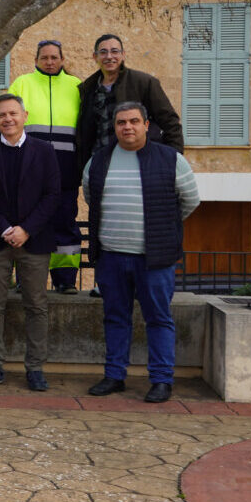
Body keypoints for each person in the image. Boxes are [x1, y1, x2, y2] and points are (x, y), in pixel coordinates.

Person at [84, 102, 198, 403]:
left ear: (147, 125)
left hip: (155, 259)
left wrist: (162, 228)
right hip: (111, 256)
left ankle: (161, 380)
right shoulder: (98, 161)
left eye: (134, 121)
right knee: (115, 317)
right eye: (121, 122)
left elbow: (190, 201)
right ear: (115, 127)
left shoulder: (171, 159)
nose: (128, 127)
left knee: (159, 318)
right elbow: (90, 197)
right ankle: (114, 376)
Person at [0, 94, 61, 392]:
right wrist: (5, 228)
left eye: (13, 114)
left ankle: (35, 368)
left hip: (34, 240)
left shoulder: (45, 151)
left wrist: (26, 229)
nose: (7, 119)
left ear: (25, 116)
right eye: (2, 115)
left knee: (36, 305)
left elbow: (52, 195)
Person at [9, 40, 83, 294]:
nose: (49, 62)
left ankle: (65, 279)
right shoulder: (22, 84)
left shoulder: (76, 87)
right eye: (44, 57)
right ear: (36, 60)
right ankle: (25, 279)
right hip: (29, 167)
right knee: (28, 222)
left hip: (66, 167)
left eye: (54, 57)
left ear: (62, 59)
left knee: (65, 221)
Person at [77, 34, 184, 170]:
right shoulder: (88, 89)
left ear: (123, 55)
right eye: (103, 52)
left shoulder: (144, 83)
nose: (109, 56)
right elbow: (86, 134)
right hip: (101, 165)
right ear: (95, 57)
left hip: (141, 164)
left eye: (115, 51)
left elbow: (171, 124)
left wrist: (173, 161)